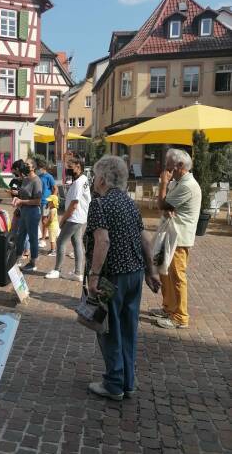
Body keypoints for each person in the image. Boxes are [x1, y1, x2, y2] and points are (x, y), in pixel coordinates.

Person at [84, 156, 160, 401]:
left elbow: (102, 241)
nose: (94, 180)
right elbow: (144, 240)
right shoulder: (130, 203)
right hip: (134, 274)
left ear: (103, 179)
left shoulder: (100, 204)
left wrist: (94, 276)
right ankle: (128, 381)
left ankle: (114, 383)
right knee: (128, 329)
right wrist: (151, 271)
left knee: (109, 329)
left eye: (95, 176)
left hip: (112, 277)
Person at [151, 148, 201, 329]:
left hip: (179, 238)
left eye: (168, 165)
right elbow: (166, 206)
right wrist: (167, 202)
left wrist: (163, 183)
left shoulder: (187, 185)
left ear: (180, 165)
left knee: (177, 276)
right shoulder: (179, 182)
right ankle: (169, 308)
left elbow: (162, 204)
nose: (166, 168)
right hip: (171, 234)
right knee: (164, 272)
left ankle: (180, 316)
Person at [45, 154, 91, 282]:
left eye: (70, 166)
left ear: (78, 166)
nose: (67, 169)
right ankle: (78, 273)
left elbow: (74, 204)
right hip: (80, 217)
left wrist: (63, 219)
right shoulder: (82, 179)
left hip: (74, 217)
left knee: (60, 241)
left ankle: (57, 270)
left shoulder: (79, 182)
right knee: (77, 242)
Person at [13, 158, 42, 272]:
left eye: (27, 164)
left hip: (32, 212)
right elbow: (23, 193)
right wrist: (16, 196)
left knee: (33, 238)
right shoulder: (25, 179)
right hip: (23, 211)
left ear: (33, 167)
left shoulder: (37, 181)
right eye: (24, 164)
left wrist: (21, 201)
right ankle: (17, 259)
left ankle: (33, 262)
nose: (24, 166)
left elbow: (38, 201)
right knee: (20, 236)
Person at [35, 158, 57, 248]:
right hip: (37, 201)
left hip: (45, 201)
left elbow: (55, 189)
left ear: (43, 168)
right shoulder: (38, 176)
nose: (37, 169)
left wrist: (51, 200)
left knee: (44, 220)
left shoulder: (49, 177)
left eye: (38, 168)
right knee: (37, 219)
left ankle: (43, 239)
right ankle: (41, 235)